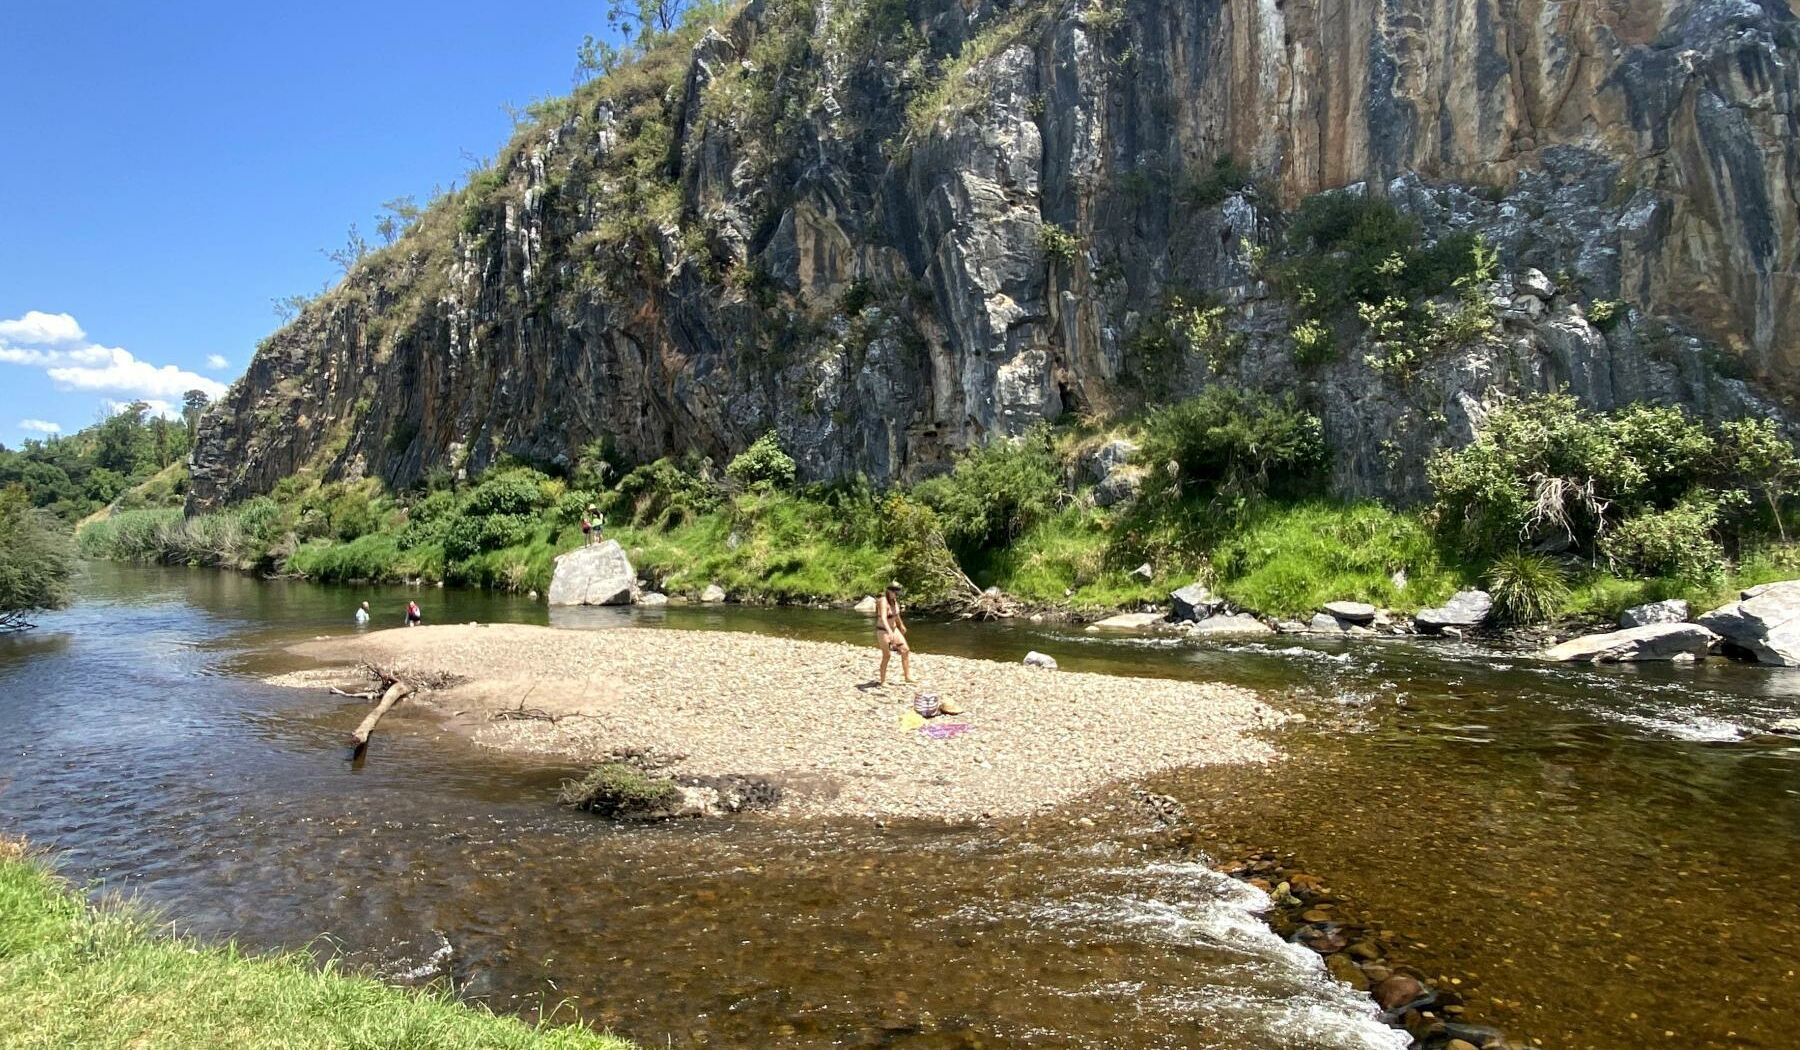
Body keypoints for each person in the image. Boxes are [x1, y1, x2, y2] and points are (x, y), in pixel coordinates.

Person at [874, 581, 914, 686]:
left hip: (894, 629)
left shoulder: (894, 600)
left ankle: (907, 677)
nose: (896, 595)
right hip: (883, 630)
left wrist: (901, 625)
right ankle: (883, 681)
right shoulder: (883, 601)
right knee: (886, 655)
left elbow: (896, 615)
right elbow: (883, 618)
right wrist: (889, 632)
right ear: (889, 591)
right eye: (895, 593)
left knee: (905, 650)